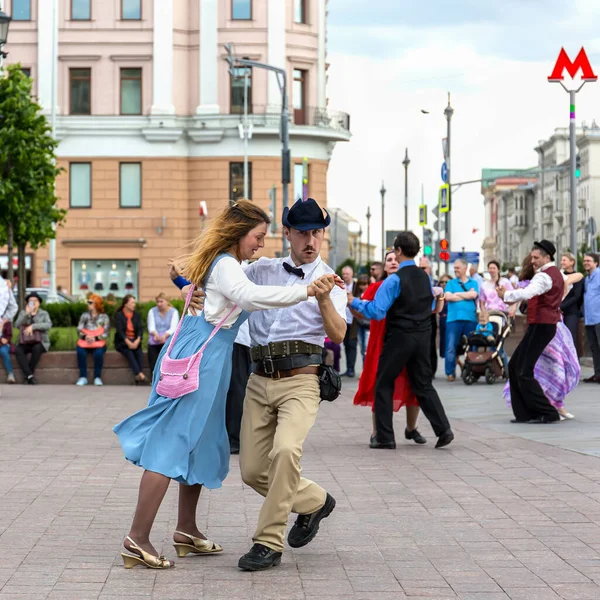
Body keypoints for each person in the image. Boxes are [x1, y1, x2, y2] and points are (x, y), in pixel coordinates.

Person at [114, 199, 335, 571]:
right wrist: (307, 291)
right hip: (201, 356)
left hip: (207, 356)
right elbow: (248, 296)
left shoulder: (230, 263)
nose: (261, 244)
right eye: (258, 236)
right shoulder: (228, 263)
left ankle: (186, 529)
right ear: (239, 233)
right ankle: (137, 538)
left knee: (199, 442)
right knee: (172, 442)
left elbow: (203, 284)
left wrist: (186, 286)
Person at [176, 197, 346, 572]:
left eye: (317, 233)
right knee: (252, 470)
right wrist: (189, 285)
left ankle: (267, 543)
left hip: (303, 380)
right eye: (303, 233)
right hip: (259, 378)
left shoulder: (331, 280)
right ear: (287, 233)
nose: (311, 242)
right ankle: (315, 500)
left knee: (286, 451)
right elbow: (220, 280)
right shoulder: (260, 269)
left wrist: (322, 299)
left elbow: (338, 333)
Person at [350, 231, 453, 450]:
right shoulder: (423, 277)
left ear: (397, 251)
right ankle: (444, 430)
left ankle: (385, 437)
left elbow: (377, 312)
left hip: (400, 336)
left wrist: (355, 302)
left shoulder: (394, 280)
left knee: (384, 382)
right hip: (423, 337)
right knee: (423, 384)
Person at [170, 260, 252, 455]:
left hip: (237, 339)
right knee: (210, 388)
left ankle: (234, 439)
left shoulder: (244, 268)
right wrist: (179, 282)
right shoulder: (221, 264)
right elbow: (202, 292)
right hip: (214, 339)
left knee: (235, 389)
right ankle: (207, 434)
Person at [353, 250, 425, 445]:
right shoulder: (376, 287)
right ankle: (377, 432)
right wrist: (350, 302)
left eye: (395, 259)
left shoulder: (410, 285)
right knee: (379, 386)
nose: (393, 262)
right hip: (381, 341)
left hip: (405, 341)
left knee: (412, 383)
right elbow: (363, 311)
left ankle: (412, 428)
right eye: (389, 260)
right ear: (384, 266)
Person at [502, 253, 581, 420]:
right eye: (531, 259)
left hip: (545, 326)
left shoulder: (546, 276)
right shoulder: (550, 274)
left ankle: (549, 411)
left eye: (536, 258)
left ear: (547, 257)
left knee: (527, 370)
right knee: (516, 366)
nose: (533, 261)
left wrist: (506, 296)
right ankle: (524, 414)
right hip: (538, 325)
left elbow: (528, 293)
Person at [444, 259, 479, 381]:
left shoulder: (473, 282)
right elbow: (448, 297)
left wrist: (456, 295)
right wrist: (465, 295)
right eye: (455, 268)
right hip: (453, 320)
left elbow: (473, 295)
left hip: (470, 319)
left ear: (465, 268)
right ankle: (450, 372)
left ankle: (473, 370)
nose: (455, 270)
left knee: (472, 346)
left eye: (458, 267)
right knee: (450, 346)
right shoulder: (450, 283)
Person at [479, 260, 515, 375]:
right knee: (487, 337)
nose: (491, 270)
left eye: (494, 268)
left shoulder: (505, 282)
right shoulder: (484, 285)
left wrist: (512, 309)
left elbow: (515, 296)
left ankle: (505, 367)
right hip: (489, 313)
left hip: (501, 313)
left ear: (498, 269)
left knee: (497, 339)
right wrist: (483, 312)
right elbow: (482, 302)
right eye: (490, 268)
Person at [14, 292, 52, 385]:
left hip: (40, 341)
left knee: (37, 348)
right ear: (27, 303)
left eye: (35, 301)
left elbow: (48, 325)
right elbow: (16, 325)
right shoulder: (23, 313)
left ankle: (28, 375)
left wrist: (33, 326)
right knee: (18, 350)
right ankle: (30, 376)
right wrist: (27, 314)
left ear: (39, 303)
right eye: (31, 301)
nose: (33, 303)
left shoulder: (43, 313)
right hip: (25, 341)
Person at [76, 294, 110, 386]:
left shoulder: (104, 317)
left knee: (98, 354)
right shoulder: (84, 316)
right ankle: (83, 377)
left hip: (98, 342)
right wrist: (85, 337)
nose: (88, 304)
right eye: (88, 302)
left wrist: (95, 338)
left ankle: (97, 377)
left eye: (90, 302)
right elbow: (79, 329)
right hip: (85, 341)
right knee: (80, 352)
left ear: (97, 304)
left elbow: (106, 333)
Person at [114, 295, 147, 384]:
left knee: (139, 352)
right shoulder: (119, 315)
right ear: (126, 304)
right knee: (129, 353)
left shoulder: (137, 315)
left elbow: (140, 329)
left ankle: (138, 376)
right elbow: (120, 331)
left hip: (135, 340)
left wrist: (138, 340)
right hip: (123, 342)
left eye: (134, 303)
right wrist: (128, 342)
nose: (134, 305)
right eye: (132, 302)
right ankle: (140, 375)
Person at [147, 293, 179, 373]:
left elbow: (173, 328)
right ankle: (153, 375)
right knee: (152, 356)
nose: (159, 304)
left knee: (167, 357)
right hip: (155, 339)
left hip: (168, 339)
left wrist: (165, 336)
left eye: (161, 301)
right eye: (158, 302)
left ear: (167, 301)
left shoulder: (174, 312)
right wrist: (155, 334)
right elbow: (151, 326)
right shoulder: (152, 311)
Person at [560, 252, 584, 348]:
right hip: (558, 312)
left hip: (571, 312)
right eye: (561, 260)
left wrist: (561, 306)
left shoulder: (578, 277)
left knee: (570, 338)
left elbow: (576, 296)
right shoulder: (559, 275)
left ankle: (573, 361)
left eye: (564, 260)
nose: (561, 262)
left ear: (572, 262)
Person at [583, 252, 600, 383]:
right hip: (589, 319)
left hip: (599, 317)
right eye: (584, 261)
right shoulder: (587, 279)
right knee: (594, 347)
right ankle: (597, 374)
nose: (586, 263)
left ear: (596, 263)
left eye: (589, 261)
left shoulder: (599, 275)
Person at [420, 257, 438, 376]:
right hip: (419, 315)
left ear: (430, 269)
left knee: (431, 344)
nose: (421, 270)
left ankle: (431, 370)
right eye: (419, 268)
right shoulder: (415, 281)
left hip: (430, 315)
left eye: (423, 268)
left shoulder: (435, 282)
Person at [0, 276, 18, 383]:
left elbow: (13, 307)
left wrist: (4, 320)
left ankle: (10, 374)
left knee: (3, 351)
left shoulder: (4, 287)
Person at [341, 265, 358, 377]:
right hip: (344, 320)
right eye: (344, 274)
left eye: (347, 274)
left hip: (355, 320)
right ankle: (348, 368)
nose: (345, 276)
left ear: (352, 274)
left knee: (352, 344)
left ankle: (351, 369)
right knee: (346, 344)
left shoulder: (356, 286)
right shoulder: (340, 286)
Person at [350, 275, 371, 363]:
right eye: (361, 284)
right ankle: (364, 370)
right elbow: (353, 310)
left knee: (366, 349)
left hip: (369, 325)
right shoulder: (357, 295)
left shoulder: (372, 293)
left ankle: (366, 372)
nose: (363, 286)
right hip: (360, 324)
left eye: (365, 284)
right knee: (362, 349)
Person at [437, 274, 452, 359]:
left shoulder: (454, 291)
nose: (444, 283)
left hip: (453, 320)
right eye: (441, 282)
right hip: (443, 321)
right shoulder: (438, 294)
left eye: (446, 282)